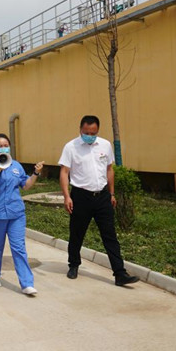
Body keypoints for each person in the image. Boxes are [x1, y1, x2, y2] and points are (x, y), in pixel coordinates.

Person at [58, 115, 139, 287]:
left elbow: (109, 169)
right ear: (80, 130)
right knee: (77, 233)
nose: (90, 136)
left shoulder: (105, 145)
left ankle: (120, 273)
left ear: (98, 131)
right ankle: (73, 265)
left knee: (110, 235)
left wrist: (112, 193)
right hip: (81, 197)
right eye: (86, 133)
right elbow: (64, 172)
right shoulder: (71, 147)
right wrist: (67, 196)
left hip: (102, 197)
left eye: (93, 133)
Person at [0, 134, 43, 295]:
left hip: (16, 213)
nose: (3, 148)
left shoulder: (16, 165)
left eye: (6, 145)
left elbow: (25, 185)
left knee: (19, 247)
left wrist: (35, 173)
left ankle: (26, 283)